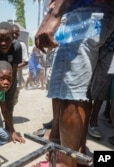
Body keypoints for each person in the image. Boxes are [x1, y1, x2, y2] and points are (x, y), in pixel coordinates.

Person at [34, 0, 114, 167]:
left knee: (69, 94)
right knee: (81, 94)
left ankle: (66, 163)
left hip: (83, 13)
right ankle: (77, 156)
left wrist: (54, 14)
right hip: (101, 14)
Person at [88, 29, 114, 139]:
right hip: (91, 42)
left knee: (102, 85)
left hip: (110, 49)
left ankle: (93, 120)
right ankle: (85, 117)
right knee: (85, 82)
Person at [12, 24, 29, 89]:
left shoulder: (22, 45)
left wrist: (14, 67)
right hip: (6, 78)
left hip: (17, 79)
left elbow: (26, 61)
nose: (14, 35)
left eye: (16, 34)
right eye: (13, 33)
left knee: (14, 97)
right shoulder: (5, 45)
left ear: (18, 35)